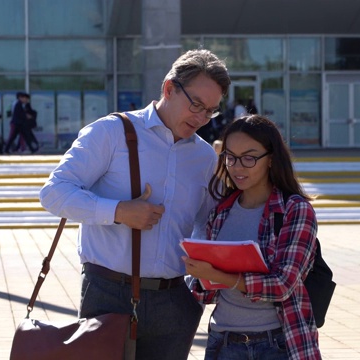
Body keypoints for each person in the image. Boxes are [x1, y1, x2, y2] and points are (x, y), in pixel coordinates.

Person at [39, 49, 231, 359]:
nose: (201, 118)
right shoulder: (110, 133)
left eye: (210, 111)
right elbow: (54, 192)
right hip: (108, 293)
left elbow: (208, 224)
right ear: (169, 88)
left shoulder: (205, 156)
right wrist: (118, 211)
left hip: (175, 301)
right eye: (196, 105)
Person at [183, 115, 321, 360]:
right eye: (230, 157)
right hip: (223, 342)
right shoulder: (221, 211)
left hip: (277, 343)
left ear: (271, 159)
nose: (237, 167)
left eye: (249, 158)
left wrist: (218, 275)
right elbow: (209, 293)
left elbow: (283, 285)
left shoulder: (294, 209)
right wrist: (197, 275)